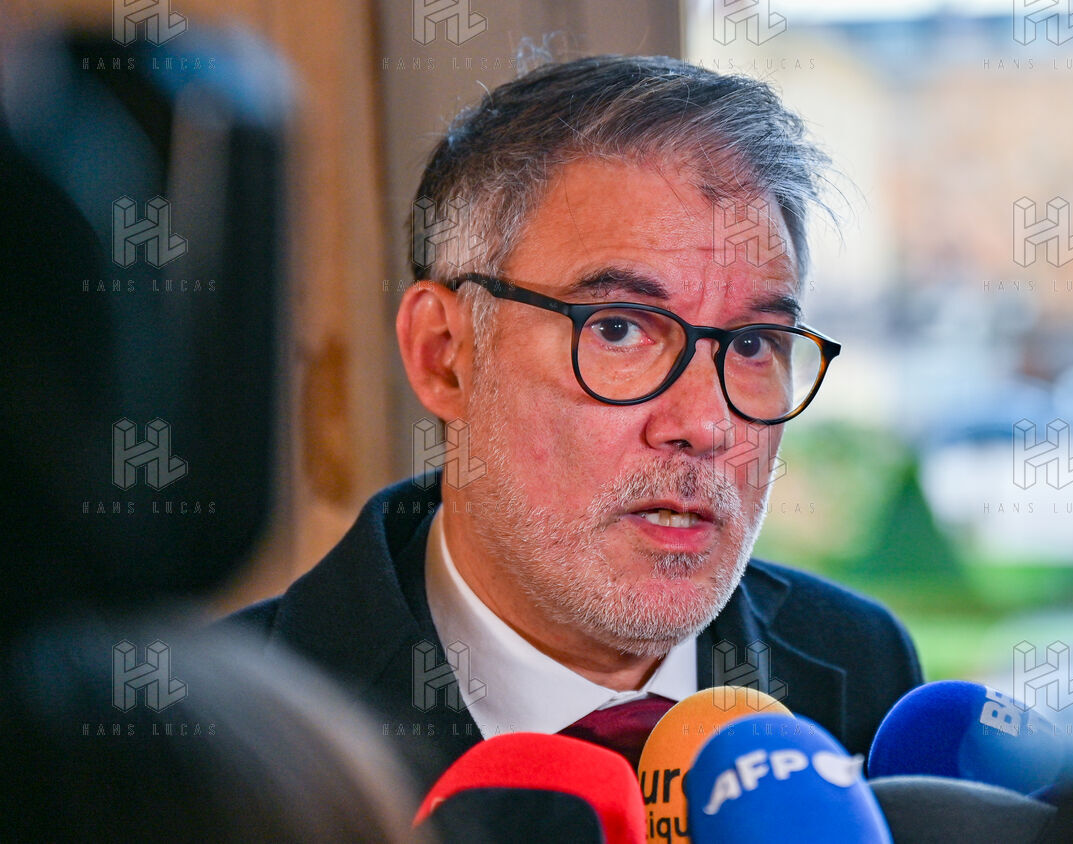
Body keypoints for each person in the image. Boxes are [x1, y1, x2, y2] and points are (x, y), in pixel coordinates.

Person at [229, 55, 923, 793]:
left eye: (753, 343)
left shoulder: (861, 670)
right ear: (445, 355)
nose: (706, 424)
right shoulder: (216, 738)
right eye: (619, 329)